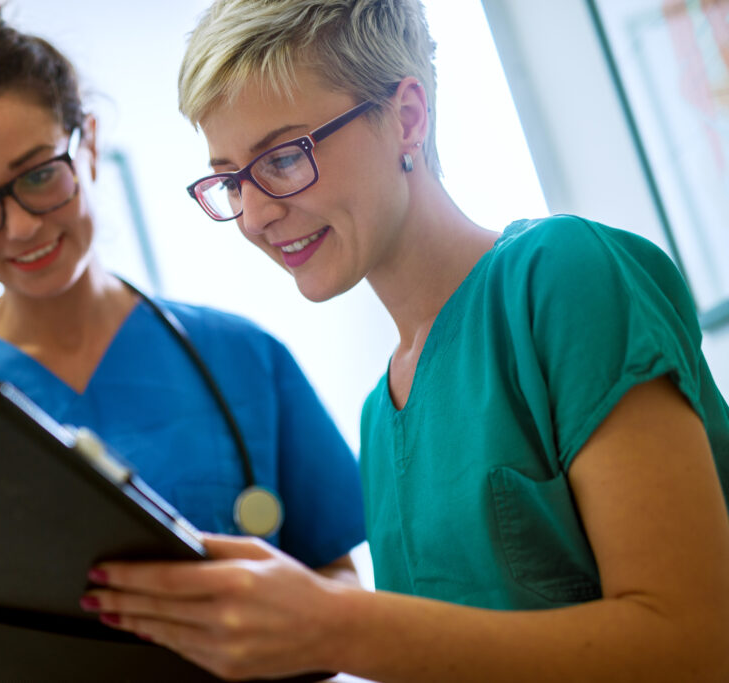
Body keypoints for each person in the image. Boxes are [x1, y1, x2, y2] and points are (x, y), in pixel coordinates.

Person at [82, 0, 729, 680]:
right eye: (232, 179)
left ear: (407, 117)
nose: (256, 214)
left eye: (281, 157)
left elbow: (693, 640)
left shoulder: (561, 276)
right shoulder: (381, 413)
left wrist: (335, 623)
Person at [0, 1, 367, 681]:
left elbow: (338, 583)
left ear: (90, 142)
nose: (18, 227)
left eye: (39, 173)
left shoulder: (244, 358)